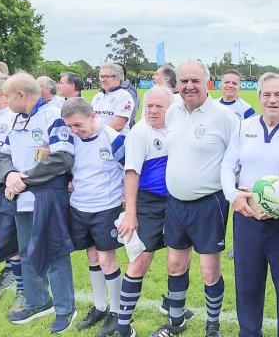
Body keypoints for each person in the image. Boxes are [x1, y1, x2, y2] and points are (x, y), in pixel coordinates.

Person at [152, 61, 238, 337]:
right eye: (184, 81)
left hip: (209, 203)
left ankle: (213, 326)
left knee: (209, 269)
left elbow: (237, 161)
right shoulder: (172, 112)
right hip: (175, 203)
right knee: (175, 264)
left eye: (195, 81)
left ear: (207, 83)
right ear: (177, 84)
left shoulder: (224, 117)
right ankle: (175, 324)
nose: (189, 86)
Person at [221, 72, 279, 337]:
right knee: (247, 288)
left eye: (278, 94)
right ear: (258, 97)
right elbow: (227, 165)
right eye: (266, 94)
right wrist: (233, 196)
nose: (272, 99)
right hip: (247, 221)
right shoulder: (244, 127)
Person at [0, 73, 76, 333]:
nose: (5, 99)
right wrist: (10, 175)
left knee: (54, 253)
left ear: (21, 95)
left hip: (46, 196)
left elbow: (62, 158)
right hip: (20, 196)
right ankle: (38, 301)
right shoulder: (15, 120)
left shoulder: (54, 116)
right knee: (27, 250)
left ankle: (66, 309)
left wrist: (24, 180)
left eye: (8, 95)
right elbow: (3, 154)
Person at [114, 86, 193, 337]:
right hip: (148, 204)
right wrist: (130, 213)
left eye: (159, 106)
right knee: (139, 260)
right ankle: (123, 327)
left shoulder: (179, 128)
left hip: (178, 200)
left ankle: (175, 319)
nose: (153, 110)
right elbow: (131, 174)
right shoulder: (139, 133)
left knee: (178, 260)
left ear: (171, 107)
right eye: (149, 106)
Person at [61, 98, 125, 337]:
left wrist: (127, 205)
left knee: (107, 259)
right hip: (79, 208)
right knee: (92, 257)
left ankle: (117, 313)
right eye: (70, 126)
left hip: (105, 208)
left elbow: (129, 171)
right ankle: (100, 306)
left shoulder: (113, 138)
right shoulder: (71, 140)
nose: (74, 130)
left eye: (78, 124)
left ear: (92, 116)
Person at [0, 73, 24, 312]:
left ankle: (22, 291)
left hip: (3, 189)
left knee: (10, 242)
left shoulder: (13, 119)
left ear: (1, 96)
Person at [91, 63, 135, 135]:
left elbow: (118, 125)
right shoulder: (97, 97)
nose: (102, 80)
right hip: (98, 140)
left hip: (115, 143)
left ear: (117, 78)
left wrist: (94, 131)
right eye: (101, 76)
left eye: (106, 77)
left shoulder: (124, 96)